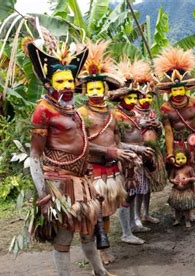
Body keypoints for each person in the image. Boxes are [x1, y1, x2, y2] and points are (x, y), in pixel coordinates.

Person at [25, 37, 127, 276]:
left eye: (70, 81)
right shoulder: (43, 111)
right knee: (65, 234)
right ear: (49, 84)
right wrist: (44, 195)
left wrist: (108, 156)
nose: (68, 86)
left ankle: (100, 273)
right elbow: (34, 156)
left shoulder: (72, 110)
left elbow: (83, 143)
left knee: (88, 228)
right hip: (58, 181)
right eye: (61, 82)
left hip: (82, 179)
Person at [77, 40, 139, 262]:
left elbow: (117, 142)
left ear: (105, 90)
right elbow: (82, 145)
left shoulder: (113, 114)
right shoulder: (80, 114)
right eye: (91, 88)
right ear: (84, 90)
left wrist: (135, 151)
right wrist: (111, 152)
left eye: (98, 88)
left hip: (112, 172)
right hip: (92, 170)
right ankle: (95, 251)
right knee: (93, 213)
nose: (95, 92)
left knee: (105, 213)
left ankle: (103, 249)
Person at [154, 47, 195, 221]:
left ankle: (191, 208)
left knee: (192, 174)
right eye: (174, 90)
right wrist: (169, 153)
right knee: (178, 174)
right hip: (175, 144)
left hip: (192, 143)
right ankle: (178, 206)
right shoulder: (166, 109)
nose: (178, 92)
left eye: (181, 89)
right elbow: (168, 131)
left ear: (186, 88)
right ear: (169, 91)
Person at [110, 60, 155, 243]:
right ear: (121, 99)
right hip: (125, 160)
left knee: (135, 192)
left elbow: (136, 129)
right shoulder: (116, 116)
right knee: (127, 195)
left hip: (137, 159)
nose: (134, 102)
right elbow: (116, 143)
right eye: (131, 98)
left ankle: (134, 224)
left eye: (135, 98)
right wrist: (136, 148)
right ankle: (126, 233)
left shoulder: (132, 114)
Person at [133, 60, 167, 225]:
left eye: (148, 96)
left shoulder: (152, 112)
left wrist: (157, 125)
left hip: (153, 153)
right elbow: (128, 131)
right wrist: (142, 125)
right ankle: (136, 217)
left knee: (148, 187)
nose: (146, 100)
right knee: (138, 187)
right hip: (138, 153)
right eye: (143, 96)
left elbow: (159, 132)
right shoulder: (132, 113)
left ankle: (146, 214)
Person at [168, 150, 195, 228]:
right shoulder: (174, 169)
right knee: (176, 207)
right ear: (175, 159)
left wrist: (188, 179)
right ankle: (177, 220)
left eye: (182, 158)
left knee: (187, 207)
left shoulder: (189, 169)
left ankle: (187, 220)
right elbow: (170, 178)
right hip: (176, 191)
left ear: (187, 158)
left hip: (186, 191)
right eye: (178, 159)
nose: (180, 161)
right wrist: (173, 181)